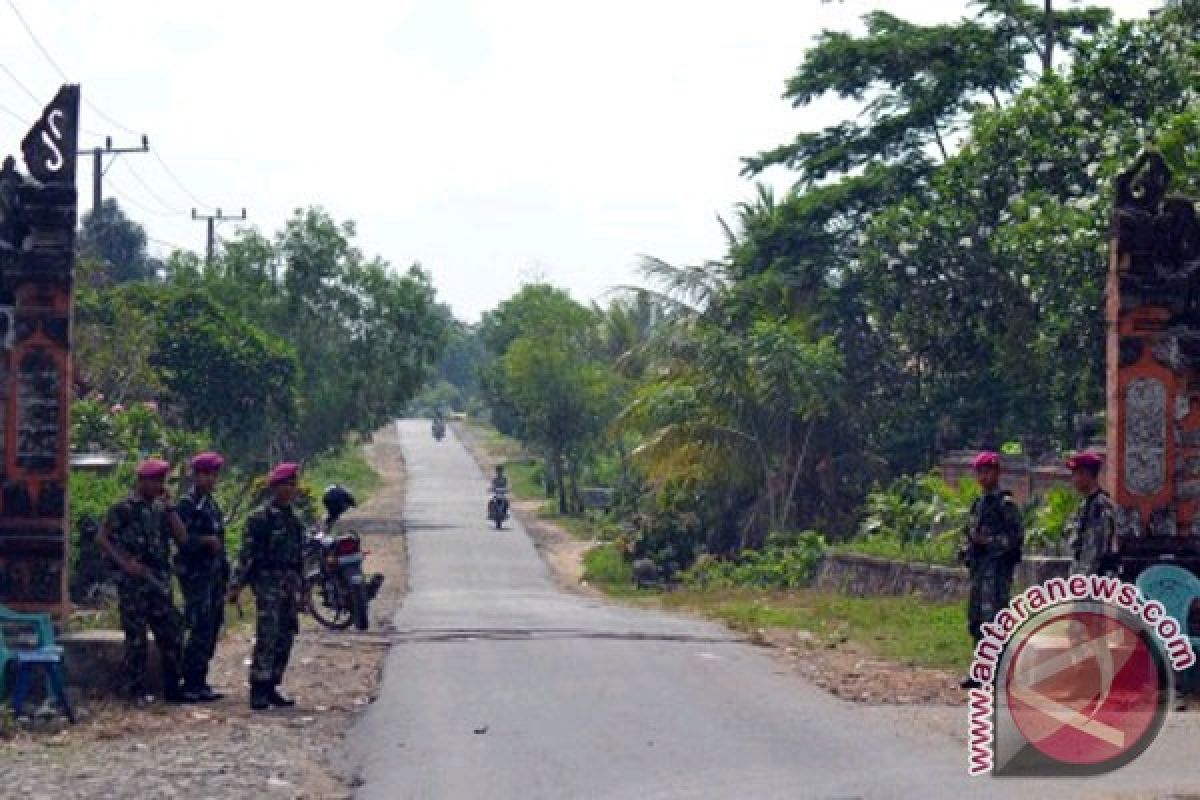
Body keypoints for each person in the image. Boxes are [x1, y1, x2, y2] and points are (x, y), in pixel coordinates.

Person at [96, 458, 189, 706]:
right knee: (136, 639)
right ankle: (133, 690)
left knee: (172, 633)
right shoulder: (123, 508)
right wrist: (124, 563)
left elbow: (182, 539)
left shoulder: (160, 510)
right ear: (142, 481)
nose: (159, 485)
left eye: (162, 481)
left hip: (158, 579)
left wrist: (170, 508)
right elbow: (103, 538)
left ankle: (173, 687)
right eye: (155, 480)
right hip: (134, 583)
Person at [228, 462, 306, 710]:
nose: (291, 490)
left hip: (288, 582)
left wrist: (303, 590)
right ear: (276, 488)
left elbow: (299, 558)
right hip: (267, 581)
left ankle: (273, 684)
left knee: (286, 634)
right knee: (268, 634)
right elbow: (247, 554)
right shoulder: (260, 519)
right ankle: (259, 688)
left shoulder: (294, 520)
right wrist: (236, 585)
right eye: (286, 485)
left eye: (294, 485)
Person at [960, 451, 1024, 689]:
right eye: (980, 472)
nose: (983, 477)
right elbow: (970, 533)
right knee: (976, 621)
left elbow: (1015, 539)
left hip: (996, 574)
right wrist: (968, 548)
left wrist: (988, 542)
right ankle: (980, 671)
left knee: (995, 622)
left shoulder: (1005, 505)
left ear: (997, 473)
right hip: (979, 572)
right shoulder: (979, 504)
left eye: (987, 471)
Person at [176, 451, 229, 703]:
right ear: (196, 476)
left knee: (211, 627)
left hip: (213, 575)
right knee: (198, 627)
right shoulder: (187, 504)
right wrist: (205, 541)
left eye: (214, 475)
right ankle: (190, 682)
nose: (211, 480)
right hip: (196, 576)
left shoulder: (210, 504)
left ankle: (200, 680)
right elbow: (182, 540)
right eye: (206, 475)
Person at [1067, 451, 1117, 576]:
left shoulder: (1100, 505)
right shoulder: (1085, 505)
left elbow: (1096, 547)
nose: (1073, 479)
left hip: (1096, 576)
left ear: (1087, 474)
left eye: (1076, 474)